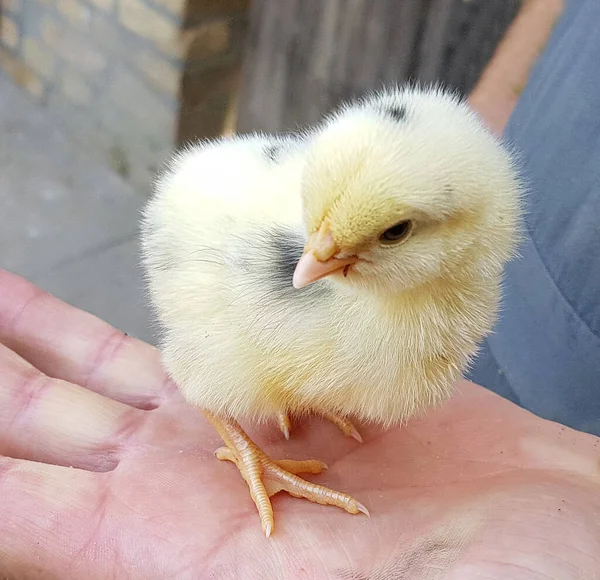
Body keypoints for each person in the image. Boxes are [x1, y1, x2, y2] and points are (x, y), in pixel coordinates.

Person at [0, 0, 598, 577]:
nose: (312, 264)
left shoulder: (437, 266)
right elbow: (205, 355)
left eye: (389, 233)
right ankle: (247, 445)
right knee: (243, 359)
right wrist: (246, 446)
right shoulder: (317, 280)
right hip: (223, 242)